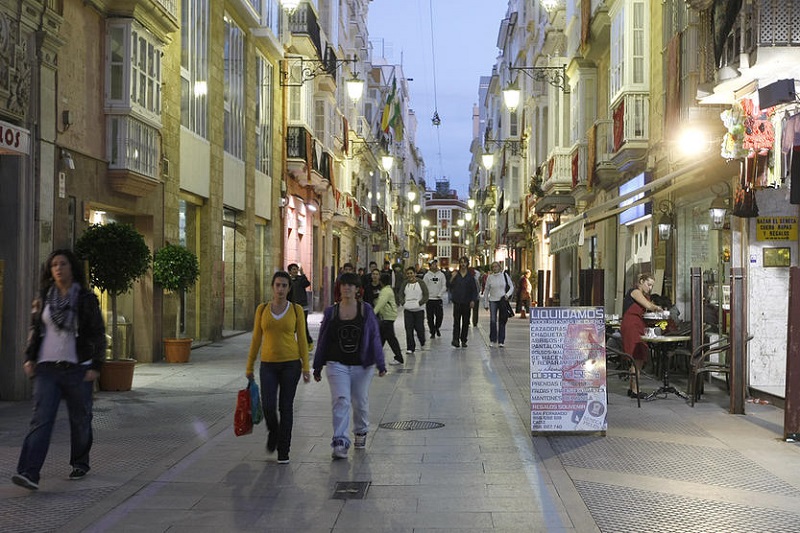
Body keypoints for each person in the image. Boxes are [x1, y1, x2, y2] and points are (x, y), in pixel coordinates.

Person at [12, 249, 106, 490]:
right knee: (41, 420)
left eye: (63, 264)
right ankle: (29, 472)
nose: (58, 268)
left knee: (81, 419)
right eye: (54, 265)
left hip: (78, 368)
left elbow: (97, 333)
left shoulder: (85, 299)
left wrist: (96, 365)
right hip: (47, 369)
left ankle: (80, 462)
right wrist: (29, 357)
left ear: (71, 268)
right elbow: (36, 331)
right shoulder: (43, 298)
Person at [313, 272, 387, 459]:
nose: (347, 288)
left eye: (351, 285)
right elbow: (323, 339)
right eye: (343, 285)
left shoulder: (366, 310)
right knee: (341, 400)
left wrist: (380, 362)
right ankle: (340, 441)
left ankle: (361, 431)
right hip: (336, 363)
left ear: (357, 289)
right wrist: (317, 365)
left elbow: (374, 337)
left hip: (362, 366)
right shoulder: (332, 312)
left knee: (360, 401)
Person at [245, 271, 310, 464]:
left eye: (284, 286)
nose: (280, 289)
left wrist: (306, 367)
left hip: (291, 365)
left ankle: (284, 450)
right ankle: (274, 431)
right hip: (268, 365)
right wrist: (249, 366)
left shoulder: (296, 310)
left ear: (289, 289)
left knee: (286, 407)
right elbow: (256, 338)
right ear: (272, 287)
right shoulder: (262, 309)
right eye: (277, 285)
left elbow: (302, 340)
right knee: (268, 406)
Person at [621, 273, 663, 399]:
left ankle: (632, 388)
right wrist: (660, 309)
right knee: (636, 356)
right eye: (648, 284)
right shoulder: (635, 292)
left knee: (638, 356)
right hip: (631, 325)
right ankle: (635, 390)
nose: (650, 288)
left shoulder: (645, 295)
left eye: (652, 286)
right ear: (641, 281)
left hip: (638, 325)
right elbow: (649, 306)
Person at [373, 271, 404, 365]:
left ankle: (399, 357)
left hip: (388, 317)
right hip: (387, 316)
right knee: (382, 338)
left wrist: (373, 313)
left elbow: (380, 303)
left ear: (381, 281)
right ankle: (375, 356)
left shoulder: (385, 291)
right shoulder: (387, 290)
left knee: (390, 338)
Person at [448, 256, 478, 348]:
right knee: (456, 322)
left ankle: (463, 339)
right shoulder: (456, 275)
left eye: (464, 262)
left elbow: (474, 290)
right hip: (457, 301)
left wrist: (473, 300)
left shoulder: (470, 277)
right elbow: (449, 286)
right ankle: (455, 339)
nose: (463, 264)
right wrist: (452, 278)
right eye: (461, 262)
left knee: (465, 322)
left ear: (467, 264)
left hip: (467, 302)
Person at [483, 261, 515, 347]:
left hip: (502, 300)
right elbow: (486, 290)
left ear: (499, 267)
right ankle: (493, 339)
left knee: (502, 320)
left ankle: (501, 341)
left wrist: (507, 295)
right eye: (493, 267)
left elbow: (511, 286)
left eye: (496, 266)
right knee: (493, 320)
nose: (495, 268)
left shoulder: (504, 276)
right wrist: (485, 303)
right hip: (493, 300)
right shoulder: (490, 277)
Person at [399, 266, 429, 354]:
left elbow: (426, 295)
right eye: (408, 273)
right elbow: (400, 294)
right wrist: (403, 303)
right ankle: (410, 347)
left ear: (415, 274)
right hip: (408, 310)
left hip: (419, 310)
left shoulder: (421, 283)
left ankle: (422, 340)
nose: (409, 275)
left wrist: (420, 303)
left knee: (419, 328)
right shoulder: (405, 283)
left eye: (411, 273)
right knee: (409, 329)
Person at [287, 263, 314, 348]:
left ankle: (308, 342)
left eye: (296, 269)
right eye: (293, 269)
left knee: (303, 325)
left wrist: (303, 274)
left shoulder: (301, 279)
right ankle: (290, 343)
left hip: (303, 306)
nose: (295, 271)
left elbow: (307, 284)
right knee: (292, 325)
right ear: (289, 271)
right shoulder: (287, 281)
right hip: (292, 306)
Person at [422, 259, 447, 338]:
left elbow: (444, 285)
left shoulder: (441, 275)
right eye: (432, 264)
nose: (434, 265)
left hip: (438, 299)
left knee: (439, 316)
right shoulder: (427, 276)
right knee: (430, 317)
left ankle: (437, 327)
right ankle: (432, 331)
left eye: (435, 264)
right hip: (429, 299)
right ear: (430, 266)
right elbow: (424, 286)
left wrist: (440, 294)